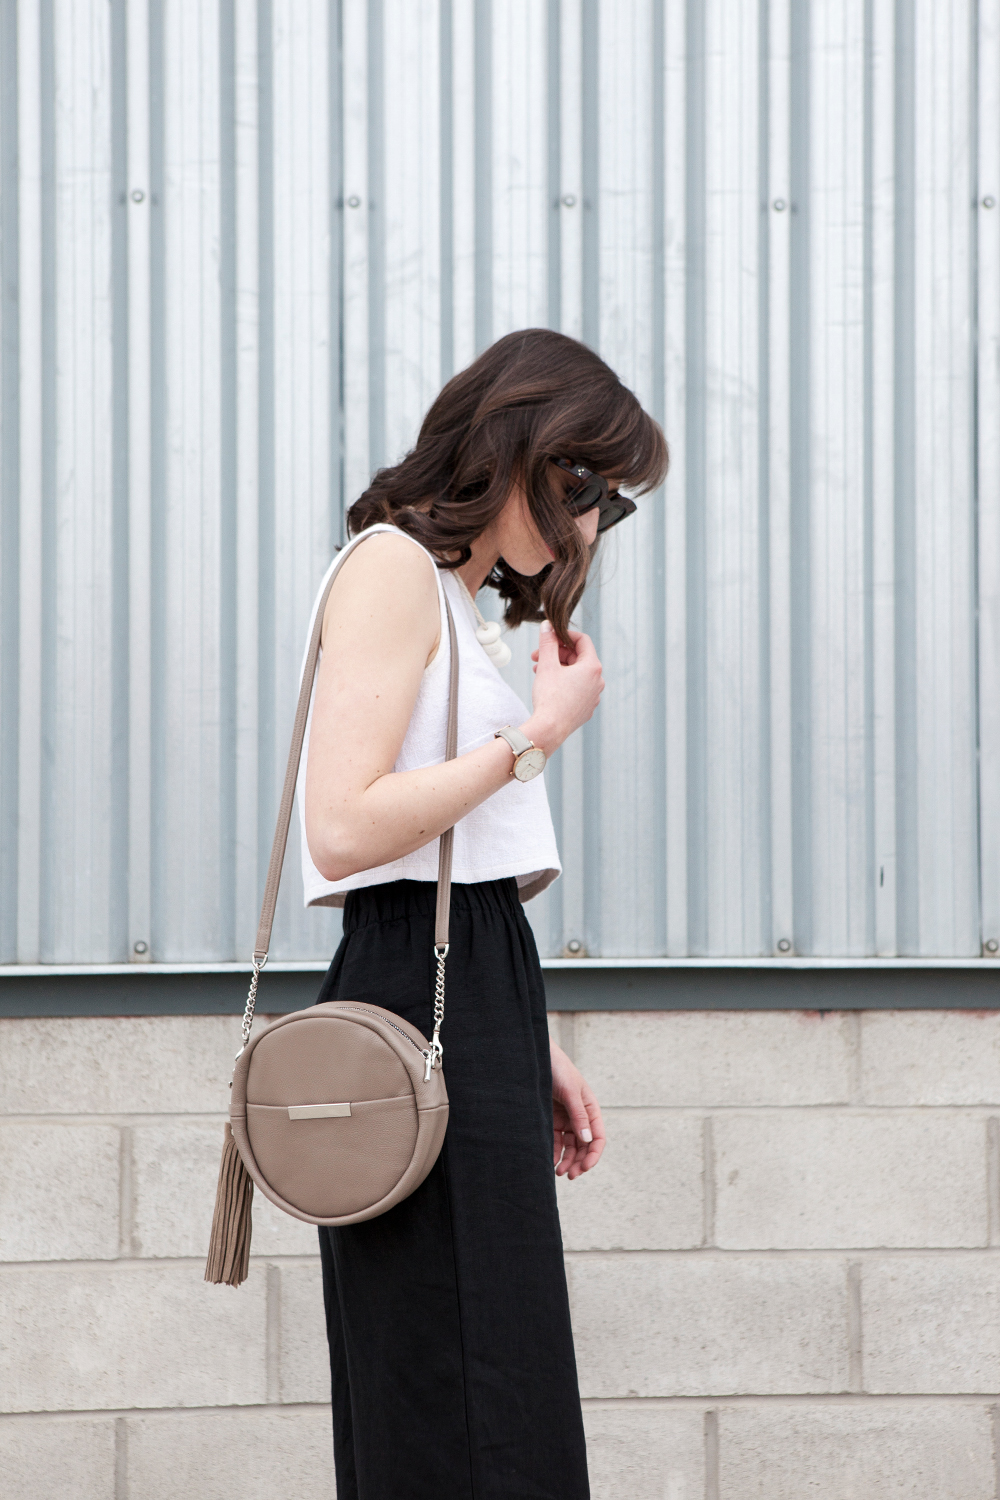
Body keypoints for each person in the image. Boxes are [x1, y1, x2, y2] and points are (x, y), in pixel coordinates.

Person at [298, 327, 668, 1500]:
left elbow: (452, 866)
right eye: (586, 484)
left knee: (492, 1361)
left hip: (470, 987)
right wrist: (537, 736)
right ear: (522, 449)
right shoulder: (390, 571)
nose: (592, 521)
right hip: (419, 989)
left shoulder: (455, 605)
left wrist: (528, 1032)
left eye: (609, 498)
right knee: (451, 1375)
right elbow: (345, 828)